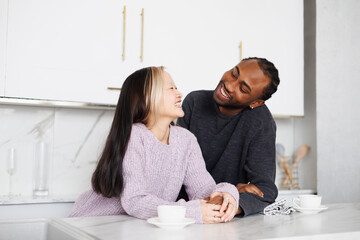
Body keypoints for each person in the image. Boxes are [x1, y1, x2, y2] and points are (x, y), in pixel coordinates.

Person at [69, 66, 239, 224]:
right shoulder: (134, 135)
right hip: (92, 225)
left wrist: (228, 194)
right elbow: (134, 201)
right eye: (171, 88)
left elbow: (205, 192)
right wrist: (189, 212)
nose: (179, 94)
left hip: (134, 227)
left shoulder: (186, 140)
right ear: (147, 96)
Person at [177, 57, 280, 216]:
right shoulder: (194, 102)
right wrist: (232, 191)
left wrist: (230, 201)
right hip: (183, 212)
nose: (230, 85)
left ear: (256, 102)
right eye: (234, 73)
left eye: (243, 89)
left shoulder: (260, 121)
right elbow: (176, 170)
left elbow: (265, 190)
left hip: (222, 220)